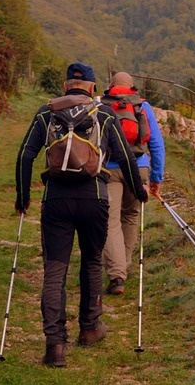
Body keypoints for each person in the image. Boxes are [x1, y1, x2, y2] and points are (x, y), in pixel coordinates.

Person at [14, 62, 147, 367]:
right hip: (94, 197)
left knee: (55, 270)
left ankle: (55, 346)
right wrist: (139, 191)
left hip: (56, 199)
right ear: (91, 88)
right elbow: (126, 156)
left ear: (65, 86)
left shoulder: (46, 112)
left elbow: (25, 154)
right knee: (91, 261)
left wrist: (23, 197)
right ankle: (89, 328)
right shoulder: (103, 113)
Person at [100, 71, 165, 295]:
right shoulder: (142, 106)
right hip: (139, 167)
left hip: (109, 169)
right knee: (130, 216)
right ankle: (123, 266)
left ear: (111, 86)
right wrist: (156, 178)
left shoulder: (101, 105)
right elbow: (156, 143)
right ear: (132, 87)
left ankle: (117, 275)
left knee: (110, 220)